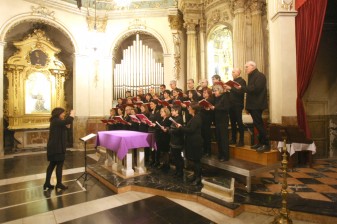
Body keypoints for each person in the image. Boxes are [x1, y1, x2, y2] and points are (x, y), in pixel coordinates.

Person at [237, 61, 269, 152]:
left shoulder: (260, 76)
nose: (245, 69)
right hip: (253, 105)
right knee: (256, 124)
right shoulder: (252, 76)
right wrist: (247, 107)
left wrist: (242, 88)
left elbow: (255, 89)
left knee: (259, 124)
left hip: (257, 104)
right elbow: (251, 91)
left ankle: (266, 144)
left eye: (247, 67)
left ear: (253, 67)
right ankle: (260, 142)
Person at [44, 108, 75, 191]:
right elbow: (66, 122)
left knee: (52, 165)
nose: (64, 115)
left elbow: (65, 127)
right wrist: (72, 114)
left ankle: (47, 183)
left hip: (57, 147)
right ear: (58, 114)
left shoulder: (57, 121)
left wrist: (67, 126)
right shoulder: (55, 120)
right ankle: (58, 184)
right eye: (62, 113)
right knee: (58, 165)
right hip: (56, 148)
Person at [176, 102, 203, 186]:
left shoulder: (197, 118)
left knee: (196, 161)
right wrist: (181, 126)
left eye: (189, 108)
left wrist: (180, 127)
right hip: (192, 141)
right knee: (194, 161)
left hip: (196, 142)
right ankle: (195, 176)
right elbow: (189, 128)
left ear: (193, 110)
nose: (188, 109)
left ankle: (198, 178)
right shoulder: (193, 117)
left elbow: (191, 130)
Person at [210, 84, 231, 161]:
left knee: (223, 138)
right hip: (217, 120)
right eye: (214, 91)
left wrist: (215, 107)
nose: (214, 92)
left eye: (215, 91)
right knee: (218, 138)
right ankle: (220, 154)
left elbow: (226, 108)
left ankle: (225, 156)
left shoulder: (225, 97)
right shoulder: (216, 98)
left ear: (220, 90)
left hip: (223, 120)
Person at [229, 68, 246, 147]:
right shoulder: (231, 82)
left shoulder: (242, 81)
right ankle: (233, 139)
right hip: (231, 104)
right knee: (232, 123)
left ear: (238, 73)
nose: (232, 73)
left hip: (238, 104)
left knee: (239, 122)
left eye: (233, 72)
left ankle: (241, 140)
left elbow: (240, 92)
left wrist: (230, 88)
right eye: (232, 72)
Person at [168, 105, 184, 178]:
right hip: (173, 140)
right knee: (175, 157)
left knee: (178, 157)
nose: (171, 112)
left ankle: (180, 171)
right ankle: (177, 170)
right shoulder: (174, 119)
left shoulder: (179, 119)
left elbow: (178, 131)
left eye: (172, 111)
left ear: (177, 111)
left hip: (177, 141)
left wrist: (170, 130)